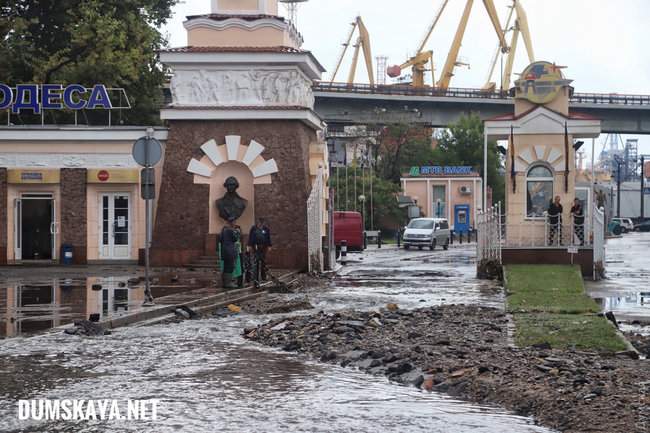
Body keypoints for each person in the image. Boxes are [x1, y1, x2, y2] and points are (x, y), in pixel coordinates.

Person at [219, 217, 241, 289]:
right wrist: (237, 232)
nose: (235, 223)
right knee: (230, 267)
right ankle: (228, 283)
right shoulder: (230, 230)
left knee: (226, 267)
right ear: (232, 222)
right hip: (230, 251)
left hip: (224, 251)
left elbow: (220, 239)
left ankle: (225, 283)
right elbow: (235, 239)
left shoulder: (223, 230)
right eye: (234, 222)